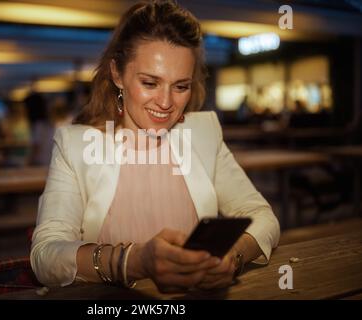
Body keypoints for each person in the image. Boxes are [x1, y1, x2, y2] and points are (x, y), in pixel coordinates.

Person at [31, 0, 280, 293]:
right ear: (117, 74)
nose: (165, 103)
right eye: (150, 83)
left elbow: (263, 217)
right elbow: (45, 254)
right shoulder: (75, 145)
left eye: (180, 86)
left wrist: (232, 256)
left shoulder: (203, 133)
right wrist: (132, 261)